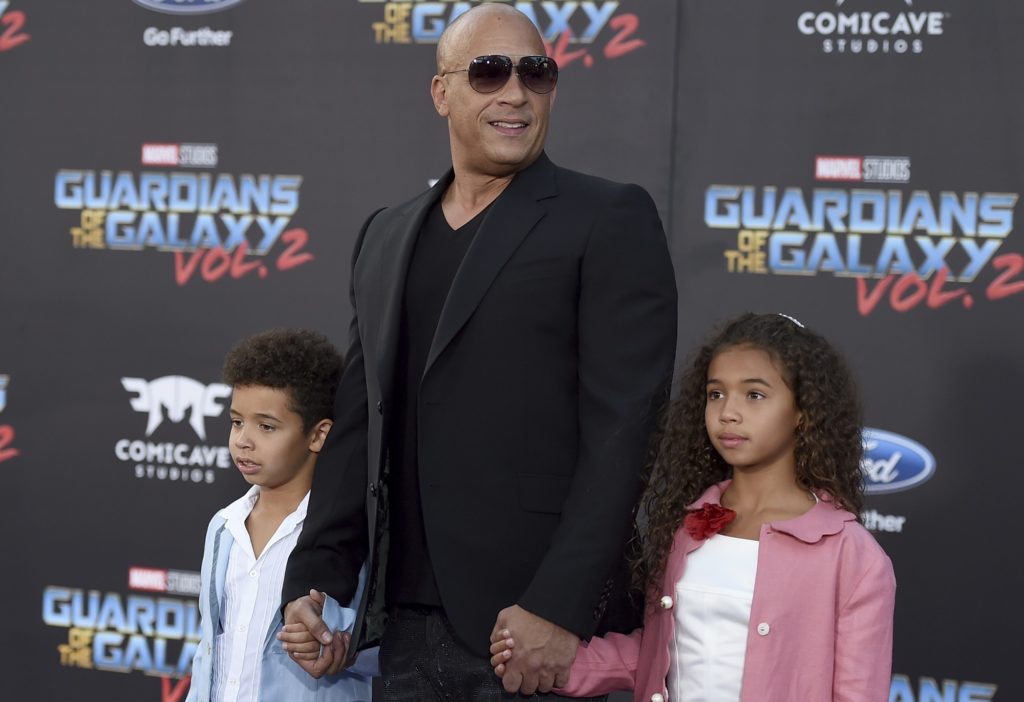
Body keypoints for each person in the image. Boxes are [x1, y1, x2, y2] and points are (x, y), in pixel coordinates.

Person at [280, 3, 678, 699]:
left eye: (537, 72)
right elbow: (357, 423)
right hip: (400, 628)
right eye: (490, 73)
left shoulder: (607, 218)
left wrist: (559, 606)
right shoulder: (385, 233)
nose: (516, 93)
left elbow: (626, 434)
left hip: (528, 634)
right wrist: (318, 581)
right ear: (442, 92)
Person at [490, 313, 896, 702]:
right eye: (715, 393)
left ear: (804, 414)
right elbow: (653, 653)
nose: (728, 412)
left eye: (754, 395)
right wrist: (543, 657)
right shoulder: (687, 528)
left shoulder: (850, 554)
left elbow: (858, 691)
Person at [186, 328, 375, 702]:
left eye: (266, 426)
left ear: (318, 435)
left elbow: (392, 648)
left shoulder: (348, 536)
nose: (243, 440)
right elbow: (209, 650)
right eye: (237, 421)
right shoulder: (224, 527)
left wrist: (340, 639)